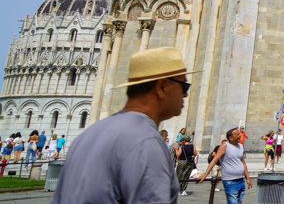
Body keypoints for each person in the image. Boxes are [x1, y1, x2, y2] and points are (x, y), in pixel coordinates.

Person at [52, 46, 192, 204]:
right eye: (184, 86)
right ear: (162, 87)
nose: (185, 94)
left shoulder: (88, 135)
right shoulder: (146, 143)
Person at [199, 127, 252, 204]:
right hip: (230, 181)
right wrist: (205, 175)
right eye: (238, 134)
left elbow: (243, 163)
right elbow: (214, 160)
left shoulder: (240, 147)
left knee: (239, 202)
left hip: (240, 180)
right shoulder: (225, 145)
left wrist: (248, 179)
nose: (240, 135)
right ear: (231, 138)